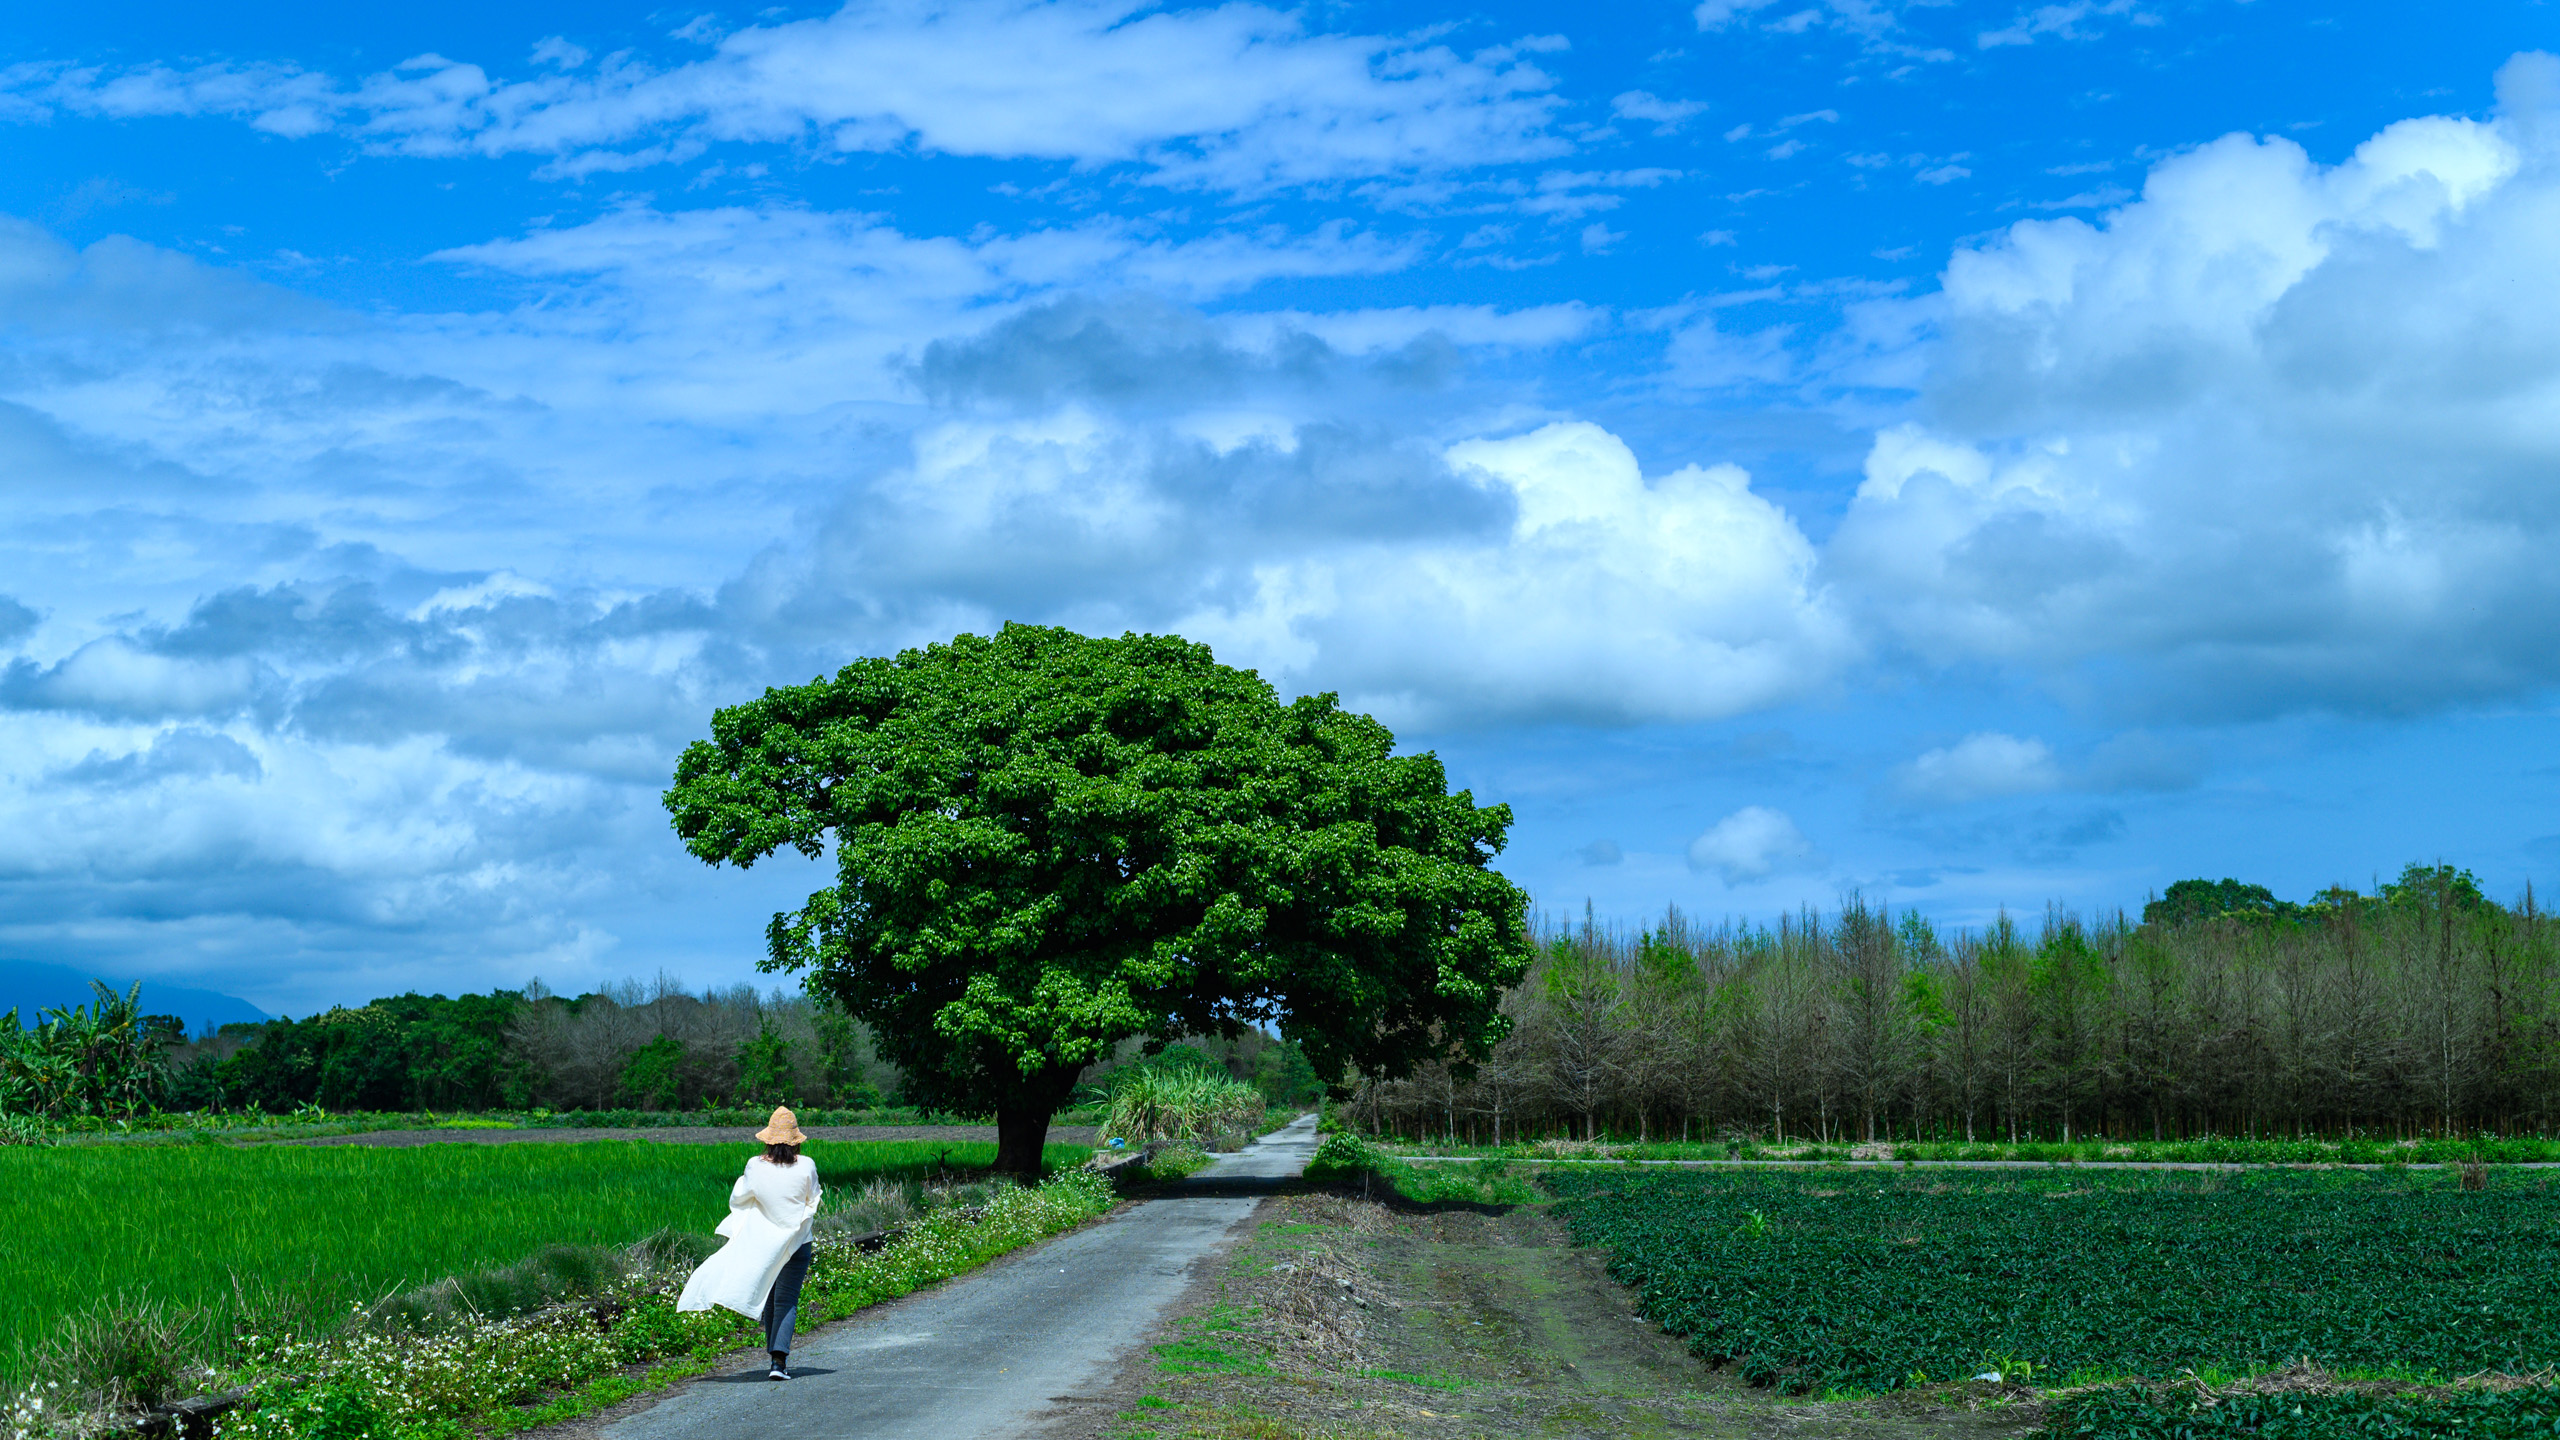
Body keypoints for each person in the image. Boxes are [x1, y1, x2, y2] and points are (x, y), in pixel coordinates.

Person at [676, 1106, 823, 1380]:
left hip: (764, 1244)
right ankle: (778, 1362)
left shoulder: (755, 1166)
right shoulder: (807, 1165)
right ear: (795, 1140)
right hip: (798, 1243)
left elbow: (740, 1197)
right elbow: (812, 1198)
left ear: (768, 1138)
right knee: (787, 1300)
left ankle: (775, 1360)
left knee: (769, 1294)